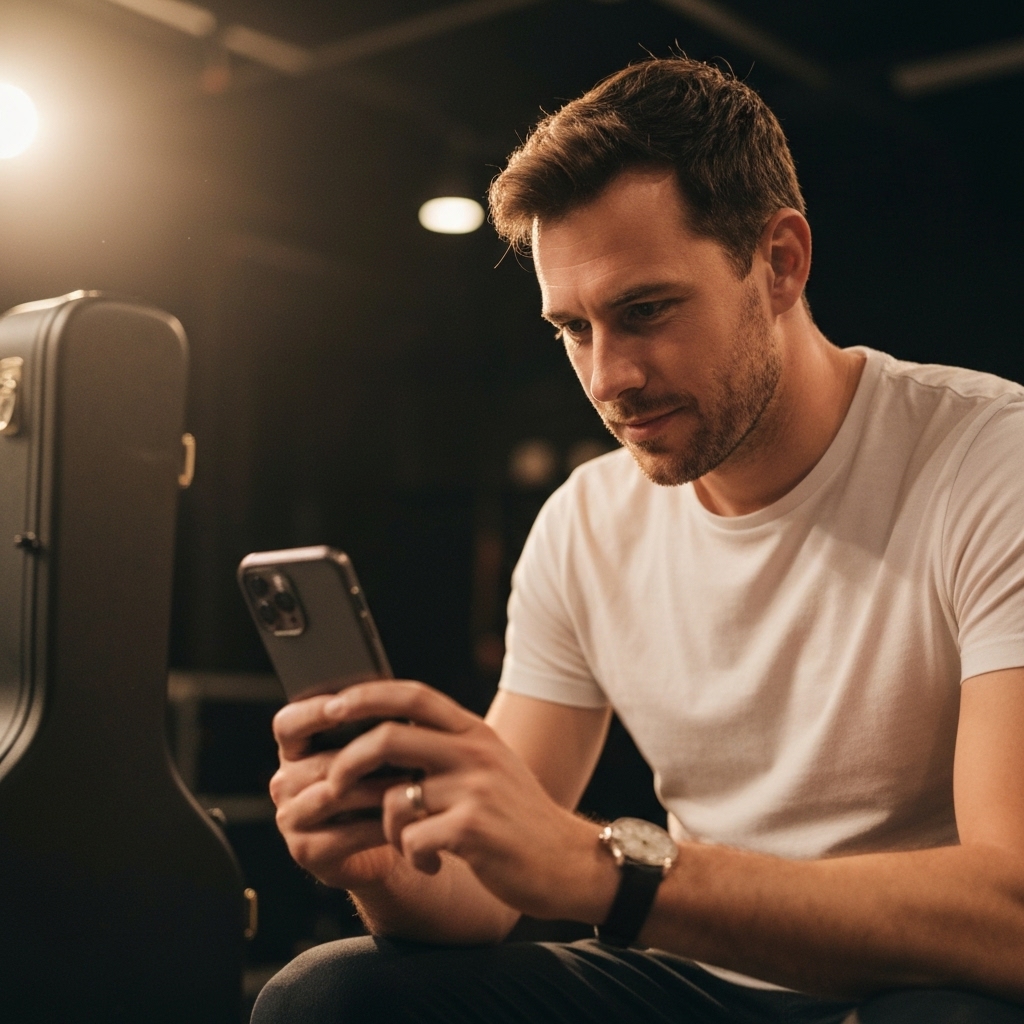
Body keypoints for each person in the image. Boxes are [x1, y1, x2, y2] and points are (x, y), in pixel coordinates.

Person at [252, 57, 1024, 1023]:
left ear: (780, 262)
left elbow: (1013, 917)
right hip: (699, 976)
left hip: (921, 979)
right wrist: (384, 860)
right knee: (331, 995)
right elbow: (483, 891)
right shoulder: (586, 521)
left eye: (646, 311)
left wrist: (603, 869)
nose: (609, 377)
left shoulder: (994, 461)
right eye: (573, 329)